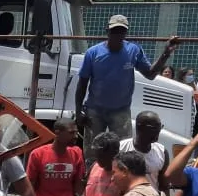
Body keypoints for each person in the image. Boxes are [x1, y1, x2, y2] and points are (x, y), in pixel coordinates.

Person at [74, 16, 178, 149]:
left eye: (121, 31)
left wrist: (166, 53)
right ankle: (92, 170)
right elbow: (82, 83)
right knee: (93, 151)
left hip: (121, 111)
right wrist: (78, 111)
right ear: (107, 31)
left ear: (125, 33)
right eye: (114, 31)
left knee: (123, 150)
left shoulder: (133, 50)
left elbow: (150, 74)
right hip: (95, 111)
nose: (118, 35)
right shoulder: (93, 53)